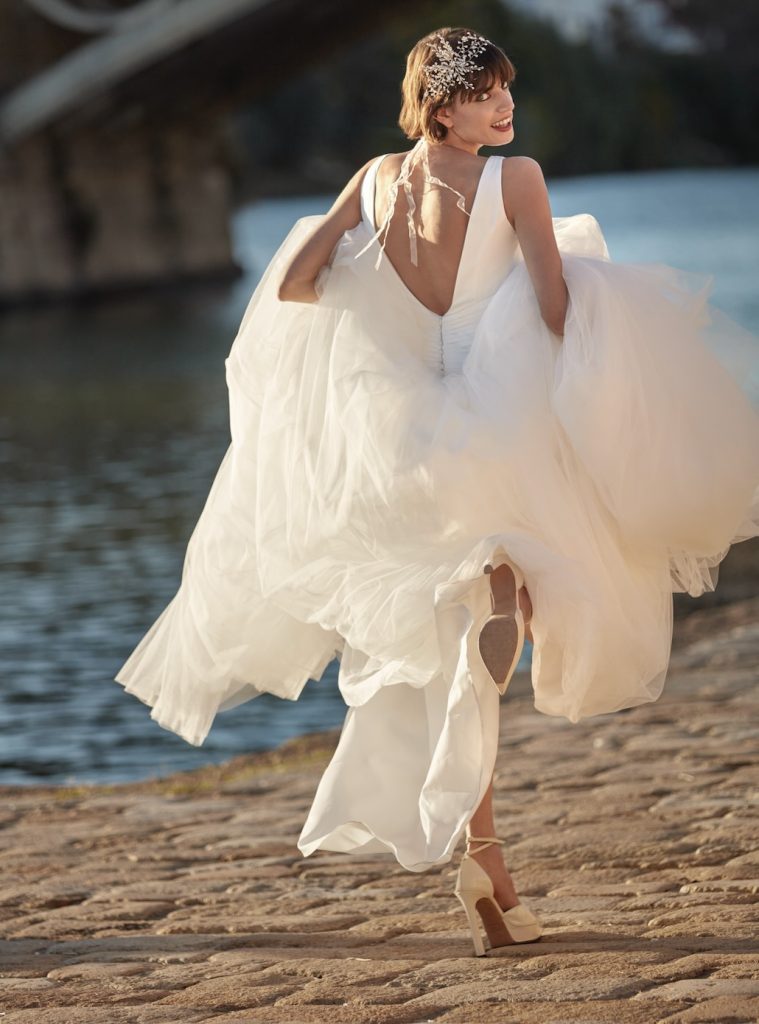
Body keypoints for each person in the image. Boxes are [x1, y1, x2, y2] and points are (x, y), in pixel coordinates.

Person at [115, 27, 759, 957]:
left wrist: (357, 256)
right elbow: (550, 308)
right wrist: (602, 347)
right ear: (444, 105)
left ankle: (484, 860)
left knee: (460, 643)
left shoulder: (376, 177)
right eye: (486, 93)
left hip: (407, 430)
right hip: (495, 415)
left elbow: (297, 286)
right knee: (512, 599)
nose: (504, 107)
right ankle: (501, 639)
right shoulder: (518, 179)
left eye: (506, 91)